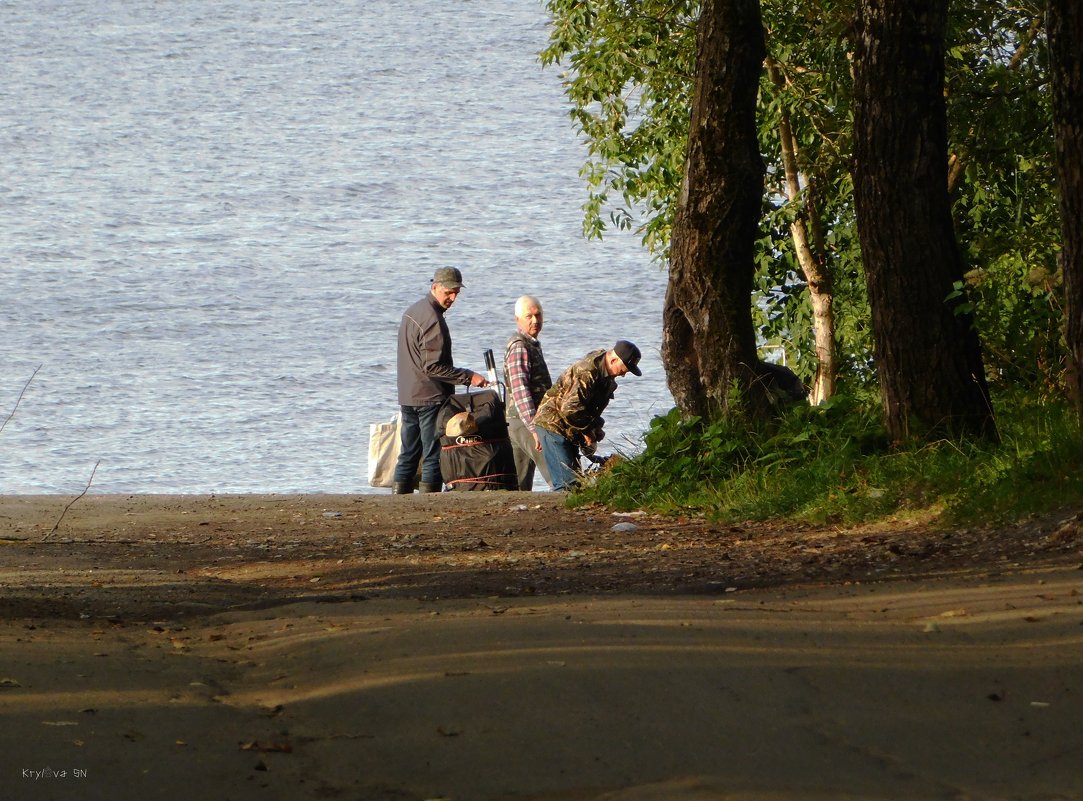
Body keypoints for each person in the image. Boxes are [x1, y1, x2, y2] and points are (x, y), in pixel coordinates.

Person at [393, 267, 487, 494]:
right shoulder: (433, 320)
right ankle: (430, 498)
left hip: (407, 394)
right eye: (449, 293)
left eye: (456, 293)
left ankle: (398, 496)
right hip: (429, 397)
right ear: (434, 287)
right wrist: (469, 377)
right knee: (434, 451)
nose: (453, 298)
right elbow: (432, 366)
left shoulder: (412, 311)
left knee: (409, 451)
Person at [533, 340, 642, 491]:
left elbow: (589, 409)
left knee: (576, 482)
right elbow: (570, 409)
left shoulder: (607, 379)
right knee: (567, 484)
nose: (624, 374)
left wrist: (596, 428)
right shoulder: (586, 372)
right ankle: (563, 512)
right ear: (614, 359)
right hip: (552, 425)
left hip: (570, 428)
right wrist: (588, 430)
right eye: (625, 369)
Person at [502, 295, 553, 491]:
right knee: (557, 473)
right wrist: (535, 428)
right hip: (524, 421)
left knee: (519, 485)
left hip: (518, 421)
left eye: (538, 315)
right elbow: (520, 389)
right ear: (518, 319)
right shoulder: (520, 346)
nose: (535, 320)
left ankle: (516, 516)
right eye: (529, 316)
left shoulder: (530, 344)